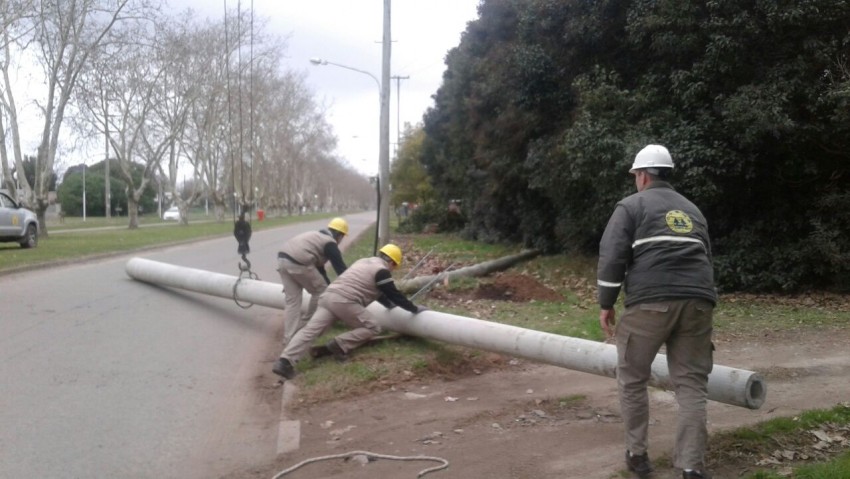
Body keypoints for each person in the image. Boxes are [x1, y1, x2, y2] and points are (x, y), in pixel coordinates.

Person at [597, 145, 717, 479]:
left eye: (636, 175)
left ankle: (638, 456)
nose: (636, 181)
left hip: (650, 302)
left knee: (633, 378)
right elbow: (706, 257)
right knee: (692, 384)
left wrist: (606, 303)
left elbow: (612, 256)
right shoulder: (692, 210)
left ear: (644, 175)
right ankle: (691, 467)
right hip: (697, 301)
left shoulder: (631, 206)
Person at [272, 243, 427, 380]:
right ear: (392, 262)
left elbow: (379, 293)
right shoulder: (382, 271)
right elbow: (394, 294)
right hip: (344, 301)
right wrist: (414, 309)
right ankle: (340, 344)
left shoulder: (364, 262)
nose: (393, 270)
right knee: (373, 327)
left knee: (310, 331)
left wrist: (389, 306)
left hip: (328, 296)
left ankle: (284, 362)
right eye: (395, 266)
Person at [277, 217, 349, 345]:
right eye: (342, 237)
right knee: (321, 292)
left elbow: (320, 271)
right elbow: (341, 269)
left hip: (282, 260)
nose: (341, 241)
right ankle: (306, 326)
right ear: (339, 235)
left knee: (292, 301)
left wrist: (329, 284)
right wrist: (352, 287)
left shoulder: (315, 238)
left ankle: (289, 338)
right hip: (298, 262)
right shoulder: (330, 243)